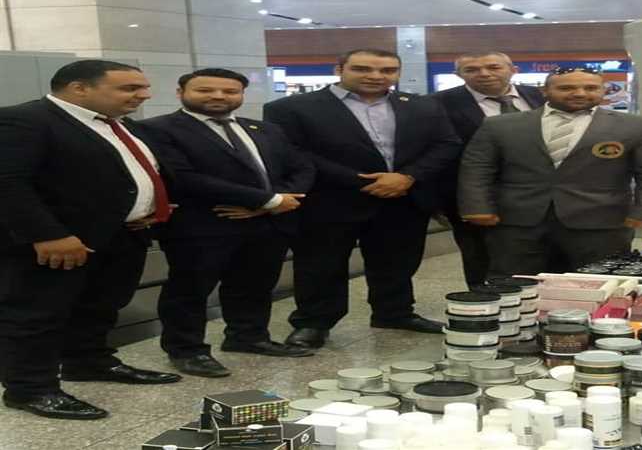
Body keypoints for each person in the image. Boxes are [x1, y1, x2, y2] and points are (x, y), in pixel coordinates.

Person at [0, 60, 181, 420]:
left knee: (100, 306)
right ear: (79, 88)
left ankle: (88, 361)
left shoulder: (120, 124)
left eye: (143, 87)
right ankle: (30, 388)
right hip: (57, 243)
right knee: (36, 316)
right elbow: (8, 183)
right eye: (130, 88)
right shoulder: (25, 120)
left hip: (121, 236)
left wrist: (149, 205)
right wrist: (48, 234)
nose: (144, 95)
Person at [264, 49, 462, 349]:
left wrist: (408, 177)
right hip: (330, 200)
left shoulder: (422, 105)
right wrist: (362, 181)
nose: (375, 76)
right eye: (362, 69)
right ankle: (314, 322)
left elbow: (446, 144)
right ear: (339, 69)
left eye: (387, 70)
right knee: (321, 265)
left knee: (398, 262)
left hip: (403, 198)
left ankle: (394, 313)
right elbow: (293, 152)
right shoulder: (290, 108)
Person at [142, 69, 315, 378]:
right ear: (180, 92)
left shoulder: (265, 129)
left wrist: (276, 202)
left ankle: (248, 337)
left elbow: (301, 166)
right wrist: (268, 200)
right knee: (190, 291)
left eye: (230, 91)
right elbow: (184, 177)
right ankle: (187, 350)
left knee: (255, 285)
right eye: (205, 90)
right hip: (203, 226)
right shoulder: (157, 129)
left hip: (266, 225)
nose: (219, 96)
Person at [458, 67, 642, 277]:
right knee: (513, 280)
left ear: (603, 90)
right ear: (545, 91)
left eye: (591, 88)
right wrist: (477, 208)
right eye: (566, 88)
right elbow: (477, 168)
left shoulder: (637, 126)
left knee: (599, 283)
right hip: (517, 221)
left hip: (602, 221)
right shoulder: (500, 125)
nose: (579, 93)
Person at [432, 52, 545, 290]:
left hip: (538, 193)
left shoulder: (539, 95)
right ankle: (483, 300)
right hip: (475, 195)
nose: (484, 74)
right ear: (458, 75)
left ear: (513, 69)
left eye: (493, 67)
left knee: (539, 252)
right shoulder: (437, 103)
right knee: (480, 256)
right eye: (471, 69)